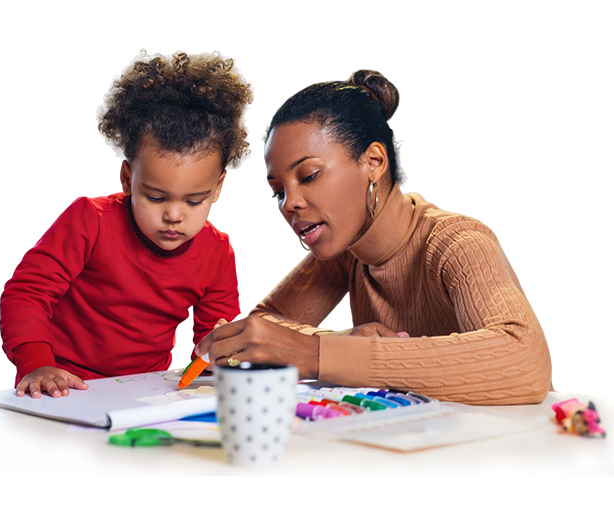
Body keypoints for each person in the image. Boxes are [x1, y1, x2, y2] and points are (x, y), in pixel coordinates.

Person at [196, 69, 552, 405]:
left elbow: (524, 359)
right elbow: (265, 326)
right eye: (278, 191)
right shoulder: (348, 249)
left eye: (309, 175)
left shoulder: (457, 242)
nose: (290, 203)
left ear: (375, 162)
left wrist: (315, 354)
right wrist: (340, 343)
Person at [0, 50, 253, 399]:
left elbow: (211, 345)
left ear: (218, 186)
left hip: (144, 391)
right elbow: (26, 293)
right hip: (62, 385)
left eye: (194, 201)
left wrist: (222, 354)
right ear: (126, 178)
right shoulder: (90, 220)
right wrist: (36, 364)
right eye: (156, 197)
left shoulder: (217, 252)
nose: (174, 215)